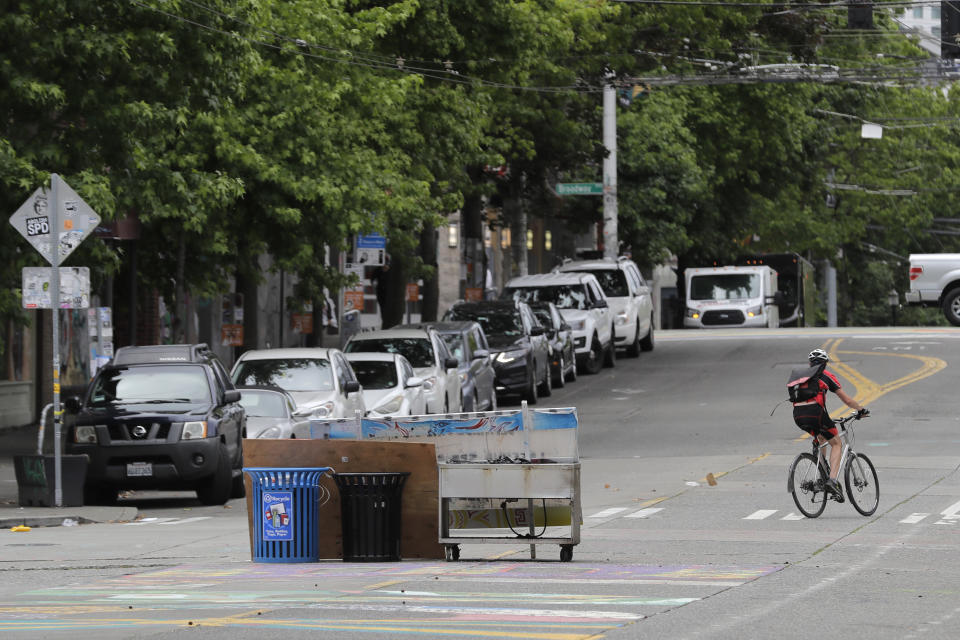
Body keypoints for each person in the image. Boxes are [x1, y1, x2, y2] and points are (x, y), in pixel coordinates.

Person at [793, 348, 869, 499]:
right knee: (836, 443)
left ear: (809, 363)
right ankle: (832, 481)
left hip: (798, 416)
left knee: (822, 438)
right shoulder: (826, 375)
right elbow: (846, 400)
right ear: (826, 363)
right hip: (816, 414)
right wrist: (861, 410)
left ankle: (821, 476)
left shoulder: (801, 376)